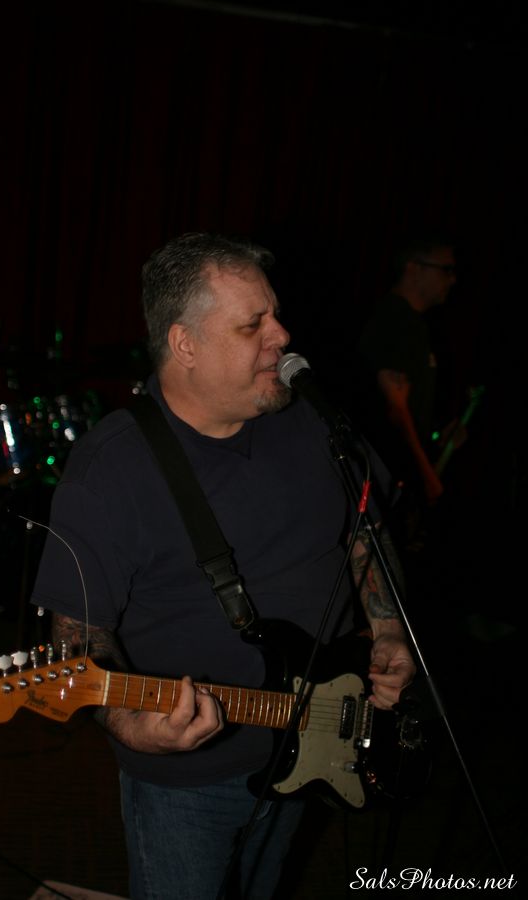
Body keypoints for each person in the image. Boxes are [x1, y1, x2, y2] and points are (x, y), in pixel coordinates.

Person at [30, 232, 416, 900]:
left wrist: (388, 630)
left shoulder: (308, 418)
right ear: (185, 345)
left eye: (275, 314)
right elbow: (77, 640)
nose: (281, 335)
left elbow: (366, 529)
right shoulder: (109, 472)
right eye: (251, 324)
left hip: (319, 736)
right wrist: (130, 724)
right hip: (190, 783)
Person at [355, 237, 460, 548]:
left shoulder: (416, 324)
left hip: (398, 476)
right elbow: (395, 409)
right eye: (445, 269)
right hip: (389, 479)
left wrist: (439, 434)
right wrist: (426, 473)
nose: (452, 280)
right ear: (414, 268)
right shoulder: (396, 319)